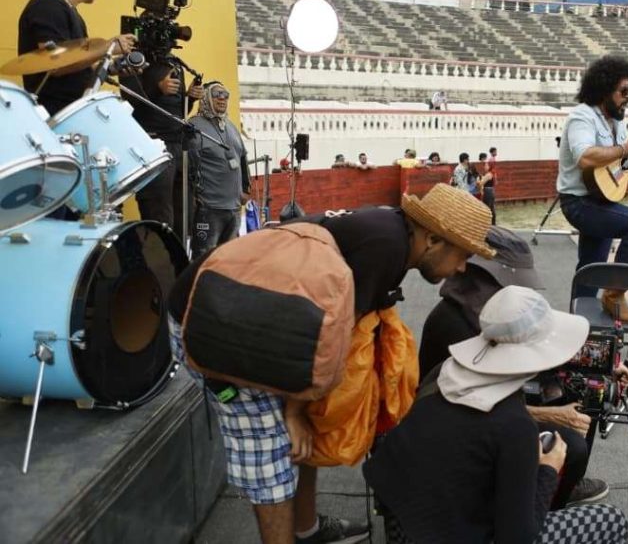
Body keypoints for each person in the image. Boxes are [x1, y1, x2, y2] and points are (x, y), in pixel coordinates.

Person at [166, 184, 496, 544]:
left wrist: (302, 410)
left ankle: (306, 530)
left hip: (253, 313)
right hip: (214, 321)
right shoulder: (387, 248)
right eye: (463, 254)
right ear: (433, 239)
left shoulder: (393, 233)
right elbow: (330, 345)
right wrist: (292, 413)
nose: (463, 267)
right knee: (273, 451)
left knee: (308, 423)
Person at [365, 285, 628, 544]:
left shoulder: (445, 373)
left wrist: (607, 367)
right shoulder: (514, 427)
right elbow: (516, 537)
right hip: (454, 534)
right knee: (611, 519)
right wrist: (548, 470)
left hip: (402, 525)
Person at [418, 227, 628, 510]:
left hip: (493, 406)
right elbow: (467, 410)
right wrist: (549, 415)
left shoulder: (489, 307)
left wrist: (606, 364)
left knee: (586, 389)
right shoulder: (456, 324)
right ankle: (543, 501)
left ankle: (561, 481)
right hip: (461, 428)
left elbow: (540, 341)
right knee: (571, 444)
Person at [557, 55, 628, 322]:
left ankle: (575, 325)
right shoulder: (582, 117)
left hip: (603, 199)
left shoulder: (617, 123)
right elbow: (585, 157)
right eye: (623, 91)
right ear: (604, 89)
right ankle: (615, 294)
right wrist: (625, 148)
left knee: (590, 269)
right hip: (579, 202)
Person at [17, 0, 135, 116]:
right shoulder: (48, 5)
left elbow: (74, 69)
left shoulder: (66, 9)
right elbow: (54, 63)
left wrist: (109, 67)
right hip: (55, 117)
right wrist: (107, 47)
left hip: (71, 113)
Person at [126, 61, 204, 241]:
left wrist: (190, 98)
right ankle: (161, 265)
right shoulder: (134, 59)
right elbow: (130, 99)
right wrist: (157, 88)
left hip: (180, 143)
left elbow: (178, 112)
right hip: (154, 145)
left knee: (184, 216)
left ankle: (182, 263)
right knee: (159, 214)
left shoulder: (174, 63)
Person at [186, 82, 250, 256]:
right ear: (206, 98)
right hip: (209, 209)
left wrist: (245, 189)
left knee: (230, 259)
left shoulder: (231, 126)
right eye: (216, 94)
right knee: (205, 258)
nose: (222, 98)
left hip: (234, 208)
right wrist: (194, 199)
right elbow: (189, 166)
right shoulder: (194, 127)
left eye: (226, 94)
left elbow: (242, 158)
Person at [478, 152, 497, 224]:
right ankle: (493, 223)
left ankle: (488, 224)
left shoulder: (488, 174)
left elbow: (480, 183)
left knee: (487, 208)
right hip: (491, 191)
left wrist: (478, 180)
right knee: (491, 208)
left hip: (487, 192)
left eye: (486, 165)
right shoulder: (491, 173)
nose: (484, 166)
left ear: (489, 166)